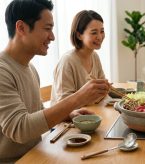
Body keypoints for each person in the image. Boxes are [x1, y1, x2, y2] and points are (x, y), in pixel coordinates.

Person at [0, 0, 109, 163]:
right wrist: (78, 98)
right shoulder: (3, 71)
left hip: (37, 153)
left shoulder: (30, 68)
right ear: (21, 28)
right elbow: (20, 129)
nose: (52, 36)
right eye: (47, 29)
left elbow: (35, 111)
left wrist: (68, 115)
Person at [51, 10, 106, 106]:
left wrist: (103, 90)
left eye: (102, 31)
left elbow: (103, 90)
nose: (100, 37)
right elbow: (63, 103)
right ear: (79, 35)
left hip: (91, 113)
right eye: (94, 33)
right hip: (67, 119)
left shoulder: (95, 56)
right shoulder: (67, 61)